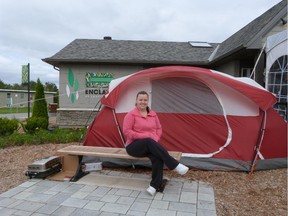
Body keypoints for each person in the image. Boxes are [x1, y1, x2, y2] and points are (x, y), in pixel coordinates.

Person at [123, 90, 189, 196]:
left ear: (148, 101)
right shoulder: (131, 115)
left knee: (157, 157)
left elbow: (159, 128)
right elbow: (127, 132)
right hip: (133, 146)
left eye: (145, 100)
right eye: (140, 100)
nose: (143, 102)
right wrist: (146, 136)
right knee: (149, 141)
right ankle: (174, 165)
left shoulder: (153, 114)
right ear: (136, 100)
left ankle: (154, 186)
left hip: (150, 145)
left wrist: (156, 139)